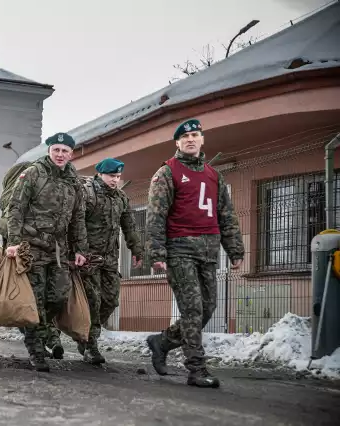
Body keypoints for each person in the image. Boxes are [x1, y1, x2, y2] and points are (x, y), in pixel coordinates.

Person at [145, 118, 244, 388]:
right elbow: (155, 215)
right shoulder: (167, 172)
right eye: (185, 136)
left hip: (208, 252)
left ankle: (162, 342)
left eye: (195, 135)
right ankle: (196, 369)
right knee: (192, 309)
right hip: (179, 250)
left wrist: (234, 249)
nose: (190, 139)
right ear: (177, 142)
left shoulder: (214, 175)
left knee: (207, 309)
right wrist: (157, 252)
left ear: (202, 140)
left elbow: (227, 215)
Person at [5, 132, 88, 372]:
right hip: (31, 246)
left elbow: (78, 217)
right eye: (56, 150)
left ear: (71, 154)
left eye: (65, 151)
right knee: (36, 300)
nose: (60, 155)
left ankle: (36, 332)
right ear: (49, 151)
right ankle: (36, 349)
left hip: (59, 250)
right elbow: (15, 208)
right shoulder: (33, 173)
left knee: (59, 296)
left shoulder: (73, 180)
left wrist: (80, 248)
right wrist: (14, 242)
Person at [76, 158, 143, 364]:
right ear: (101, 174)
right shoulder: (87, 194)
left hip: (110, 258)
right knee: (93, 301)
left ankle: (86, 334)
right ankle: (90, 345)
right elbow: (77, 223)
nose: (115, 180)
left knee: (111, 299)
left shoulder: (120, 198)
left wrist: (137, 249)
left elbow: (130, 225)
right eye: (111, 176)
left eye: (118, 176)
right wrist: (79, 250)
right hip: (89, 258)